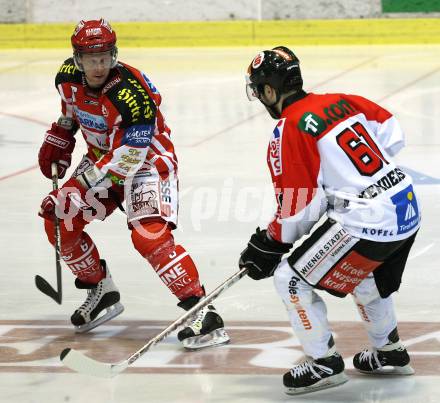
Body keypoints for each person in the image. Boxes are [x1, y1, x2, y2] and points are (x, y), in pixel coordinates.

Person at [38, 19, 229, 350]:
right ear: (77, 58)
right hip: (102, 157)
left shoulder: (131, 94)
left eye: (104, 57)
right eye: (90, 58)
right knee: (59, 221)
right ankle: (101, 291)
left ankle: (202, 311)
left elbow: (126, 162)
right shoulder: (66, 79)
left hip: (146, 163)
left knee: (149, 236)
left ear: (114, 54)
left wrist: (75, 188)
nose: (98, 65)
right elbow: (70, 115)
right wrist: (61, 138)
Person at [239, 46, 420, 395]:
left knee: (290, 278)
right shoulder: (342, 99)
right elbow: (391, 131)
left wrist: (270, 242)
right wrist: (353, 178)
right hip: (405, 204)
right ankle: (390, 353)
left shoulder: (288, 129)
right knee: (367, 274)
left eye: (260, 90)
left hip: (368, 218)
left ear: (270, 91)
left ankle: (323, 362)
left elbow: (299, 206)